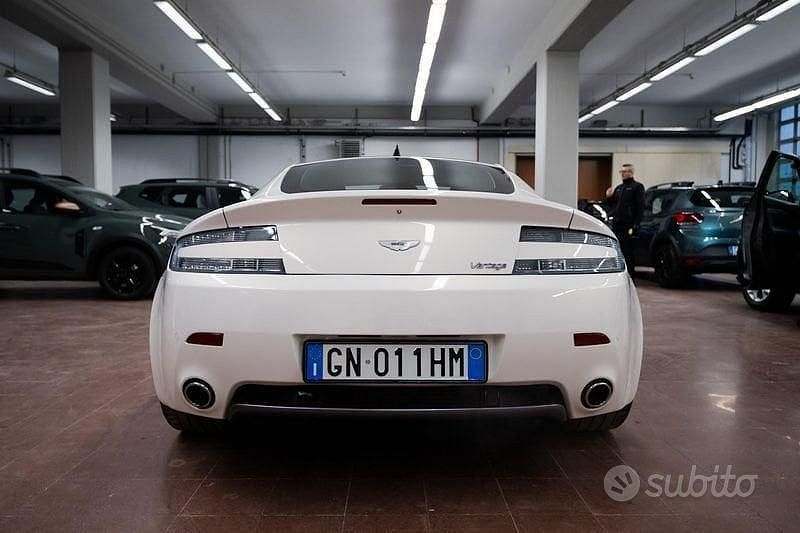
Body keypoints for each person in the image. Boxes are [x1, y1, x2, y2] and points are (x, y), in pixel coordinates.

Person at [606, 163, 645, 275]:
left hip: (628, 225)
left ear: (631, 172)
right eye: (621, 172)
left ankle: (630, 276)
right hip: (617, 224)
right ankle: (619, 274)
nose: (622, 174)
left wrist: (636, 224)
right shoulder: (619, 188)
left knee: (627, 252)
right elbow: (613, 206)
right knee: (617, 250)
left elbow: (640, 207)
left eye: (624, 171)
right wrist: (609, 197)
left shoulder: (637, 187)